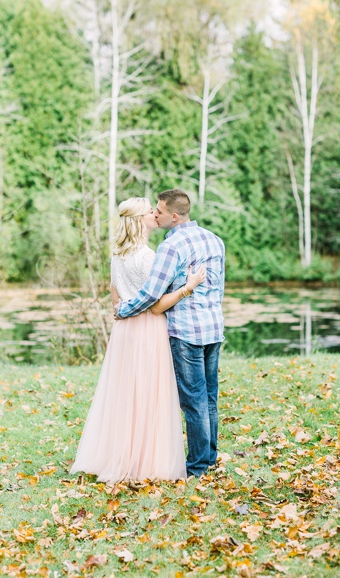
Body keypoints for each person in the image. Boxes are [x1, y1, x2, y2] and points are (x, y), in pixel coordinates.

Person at [71, 197, 203, 482]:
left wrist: (120, 312)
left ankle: (120, 455)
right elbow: (158, 301)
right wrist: (187, 288)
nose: (156, 215)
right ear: (138, 220)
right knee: (148, 393)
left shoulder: (118, 254)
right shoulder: (148, 257)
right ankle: (146, 462)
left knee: (125, 394)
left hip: (124, 331)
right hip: (148, 328)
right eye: (150, 212)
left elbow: (115, 296)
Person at [116, 189, 225, 478]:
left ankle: (199, 467)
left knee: (194, 400)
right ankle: (210, 459)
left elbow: (152, 294)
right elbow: (218, 290)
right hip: (213, 327)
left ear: (174, 216)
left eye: (160, 210)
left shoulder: (171, 246)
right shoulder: (215, 241)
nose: (156, 213)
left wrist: (124, 310)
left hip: (186, 331)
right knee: (209, 396)